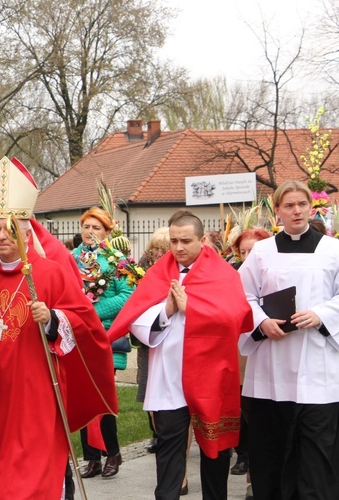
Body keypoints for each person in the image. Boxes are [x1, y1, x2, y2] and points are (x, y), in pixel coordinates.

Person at [0, 157, 118, 499]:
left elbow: (86, 327)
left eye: (10, 229)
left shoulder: (49, 273)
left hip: (34, 397)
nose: (2, 236)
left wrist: (52, 319)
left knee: (25, 485)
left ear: (27, 232)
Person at [109, 209, 253, 500]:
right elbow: (136, 319)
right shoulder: (159, 273)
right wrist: (166, 312)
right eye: (173, 240)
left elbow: (236, 318)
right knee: (169, 449)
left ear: (201, 240)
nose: (178, 247)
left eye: (185, 241)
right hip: (169, 378)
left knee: (215, 452)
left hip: (210, 376)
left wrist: (192, 310)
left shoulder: (223, 274)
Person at [238, 180, 339, 500]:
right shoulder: (262, 252)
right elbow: (243, 296)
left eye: (302, 205)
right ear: (277, 211)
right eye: (289, 205)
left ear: (311, 207)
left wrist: (323, 314)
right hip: (272, 369)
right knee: (272, 453)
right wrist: (261, 321)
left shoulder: (333, 250)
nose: (296, 211)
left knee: (317, 457)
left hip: (319, 368)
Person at [71, 206, 132, 478]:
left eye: (97, 228)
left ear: (108, 232)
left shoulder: (117, 260)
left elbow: (128, 295)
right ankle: (91, 458)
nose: (90, 232)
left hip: (106, 336)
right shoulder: (70, 258)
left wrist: (93, 312)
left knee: (104, 398)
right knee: (83, 397)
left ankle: (113, 453)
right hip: (76, 336)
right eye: (87, 226)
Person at [229, 226, 270, 498]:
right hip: (240, 352)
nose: (247, 256)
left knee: (265, 419)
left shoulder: (275, 274)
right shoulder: (231, 276)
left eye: (252, 251)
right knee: (247, 414)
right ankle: (249, 469)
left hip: (270, 350)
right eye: (242, 252)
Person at [136, 227, 170, 456]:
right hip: (148, 340)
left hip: (169, 340)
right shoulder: (140, 270)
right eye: (155, 248)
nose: (158, 254)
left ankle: (167, 436)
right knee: (148, 390)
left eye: (163, 249)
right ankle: (156, 433)